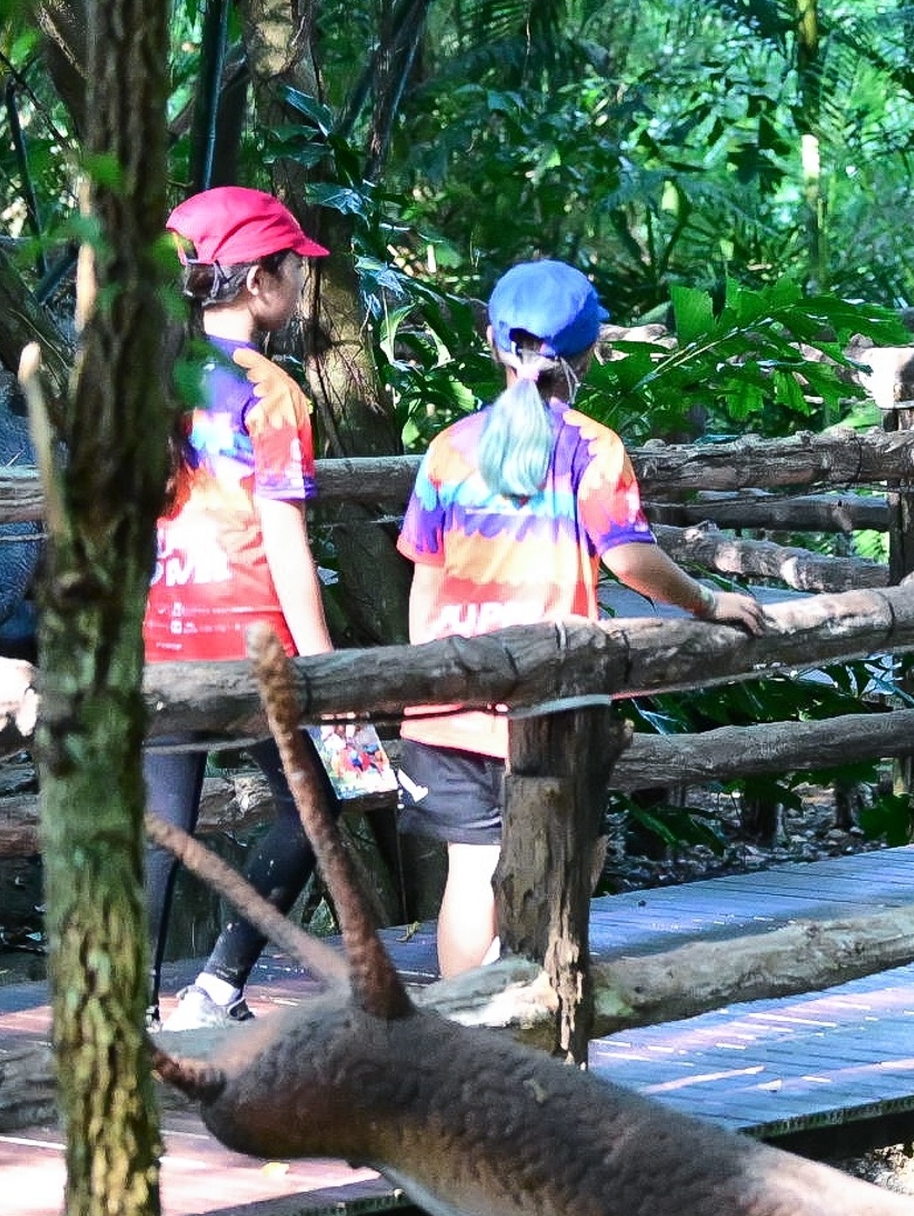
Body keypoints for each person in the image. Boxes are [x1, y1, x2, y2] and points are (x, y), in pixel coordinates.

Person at [396, 260, 769, 976]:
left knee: (470, 872)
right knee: (566, 857)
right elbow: (630, 559)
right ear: (590, 351)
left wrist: (428, 682)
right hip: (554, 698)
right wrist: (708, 602)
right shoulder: (592, 447)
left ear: (493, 342)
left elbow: (426, 578)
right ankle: (536, 1012)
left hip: (453, 698)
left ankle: (466, 1029)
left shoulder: (450, 449)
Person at [145, 185, 337, 1023]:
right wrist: (329, 670)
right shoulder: (271, 391)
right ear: (261, 281)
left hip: (163, 631)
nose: (300, 281)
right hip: (255, 639)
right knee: (314, 806)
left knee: (162, 825)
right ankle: (218, 986)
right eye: (294, 268)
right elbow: (285, 541)